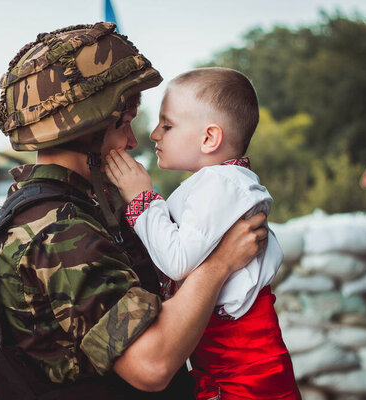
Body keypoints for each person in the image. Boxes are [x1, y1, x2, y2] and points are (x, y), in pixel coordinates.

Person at [0, 23, 268, 399]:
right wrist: (220, 263)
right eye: (122, 124)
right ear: (85, 130)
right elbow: (151, 365)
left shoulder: (79, 206)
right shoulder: (58, 229)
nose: (134, 141)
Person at [105, 67, 300, 399]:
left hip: (244, 364)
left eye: (167, 125)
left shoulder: (221, 184)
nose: (154, 134)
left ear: (210, 138)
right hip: (233, 359)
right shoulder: (218, 184)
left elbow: (178, 261)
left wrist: (142, 199)